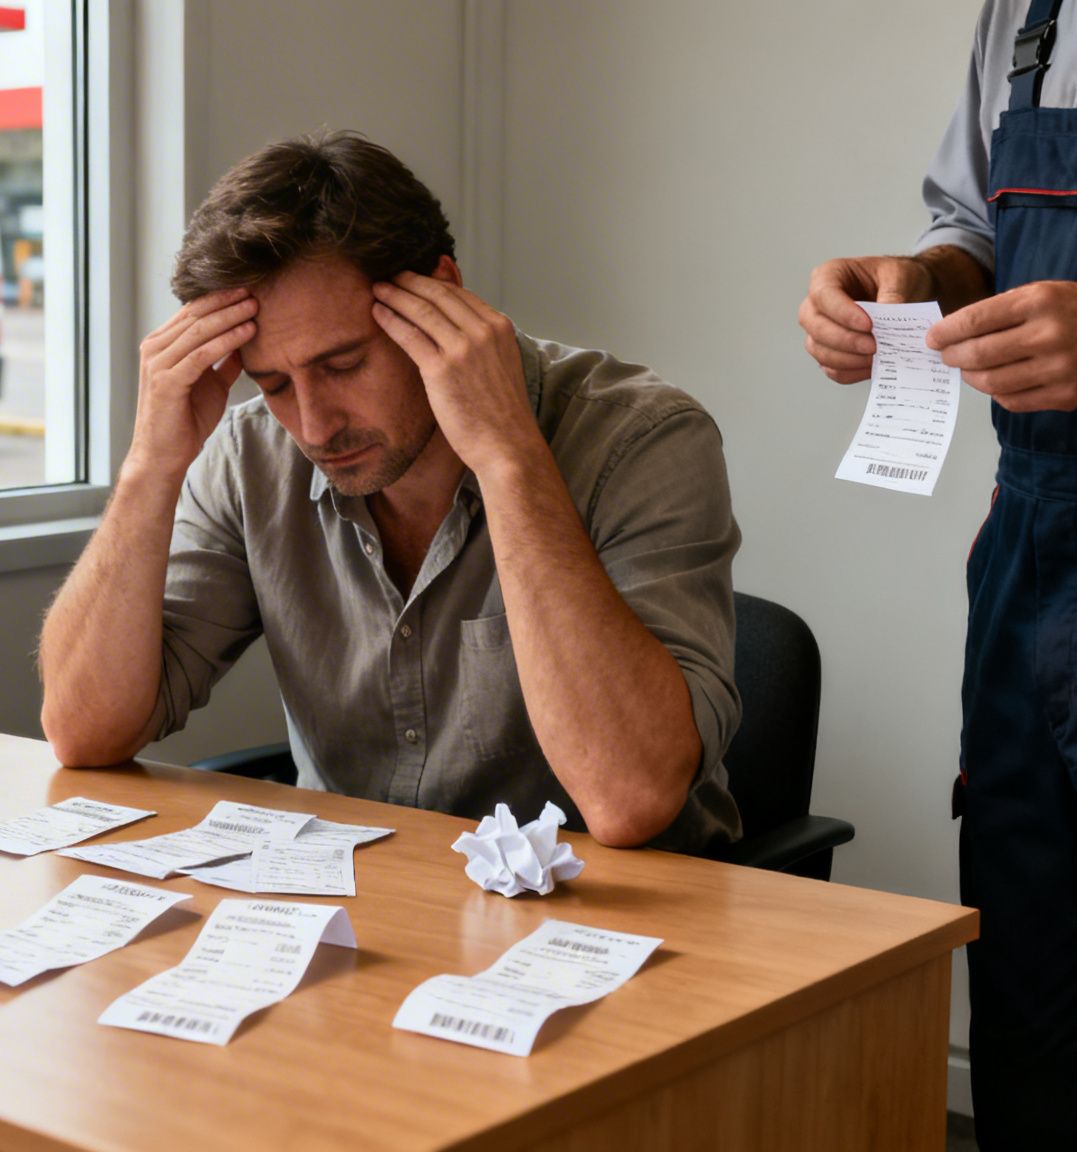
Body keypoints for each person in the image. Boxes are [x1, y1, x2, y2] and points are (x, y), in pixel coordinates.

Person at [39, 131, 741, 851]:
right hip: (368, 904)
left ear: (441, 291)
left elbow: (629, 799)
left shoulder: (643, 438)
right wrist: (150, 468)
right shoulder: (252, 455)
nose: (314, 426)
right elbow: (83, 732)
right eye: (273, 383)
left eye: (343, 364)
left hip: (622, 919)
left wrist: (507, 459)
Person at [798, 3, 1077, 1147]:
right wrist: (911, 285)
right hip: (1023, 572)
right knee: (1028, 1034)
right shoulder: (1025, 15)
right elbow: (969, 233)